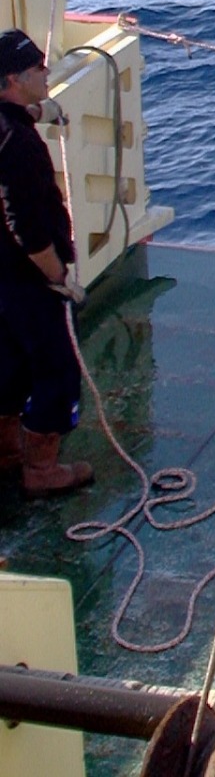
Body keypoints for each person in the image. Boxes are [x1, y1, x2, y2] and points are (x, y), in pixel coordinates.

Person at [0, 28, 94, 497]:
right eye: (37, 68)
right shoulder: (16, 147)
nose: (46, 71)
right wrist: (58, 279)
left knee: (8, 362)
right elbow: (26, 228)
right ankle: (40, 470)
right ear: (12, 81)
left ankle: (6, 451)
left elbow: (12, 120)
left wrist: (38, 112)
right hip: (27, 278)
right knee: (56, 367)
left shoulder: (9, 125)